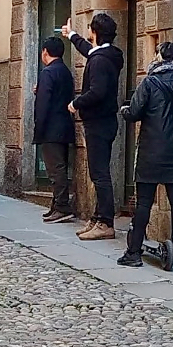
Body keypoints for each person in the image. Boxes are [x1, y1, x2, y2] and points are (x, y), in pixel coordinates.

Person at [118, 41, 173, 268]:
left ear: (159, 57)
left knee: (144, 201)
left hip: (151, 151)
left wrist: (125, 110)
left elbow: (134, 112)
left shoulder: (150, 82)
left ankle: (133, 253)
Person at [62, 13, 124, 241]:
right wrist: (72, 36)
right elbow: (89, 50)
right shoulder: (106, 55)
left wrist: (75, 103)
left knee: (99, 174)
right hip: (104, 121)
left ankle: (106, 222)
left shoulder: (99, 61)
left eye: (89, 29)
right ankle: (99, 217)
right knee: (99, 172)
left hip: (98, 122)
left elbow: (97, 91)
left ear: (95, 32)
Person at [33, 37, 76, 224]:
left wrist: (38, 127)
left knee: (55, 169)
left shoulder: (48, 73)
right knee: (59, 167)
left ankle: (62, 206)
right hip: (64, 124)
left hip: (51, 127)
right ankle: (56, 204)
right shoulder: (65, 71)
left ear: (45, 52)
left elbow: (44, 103)